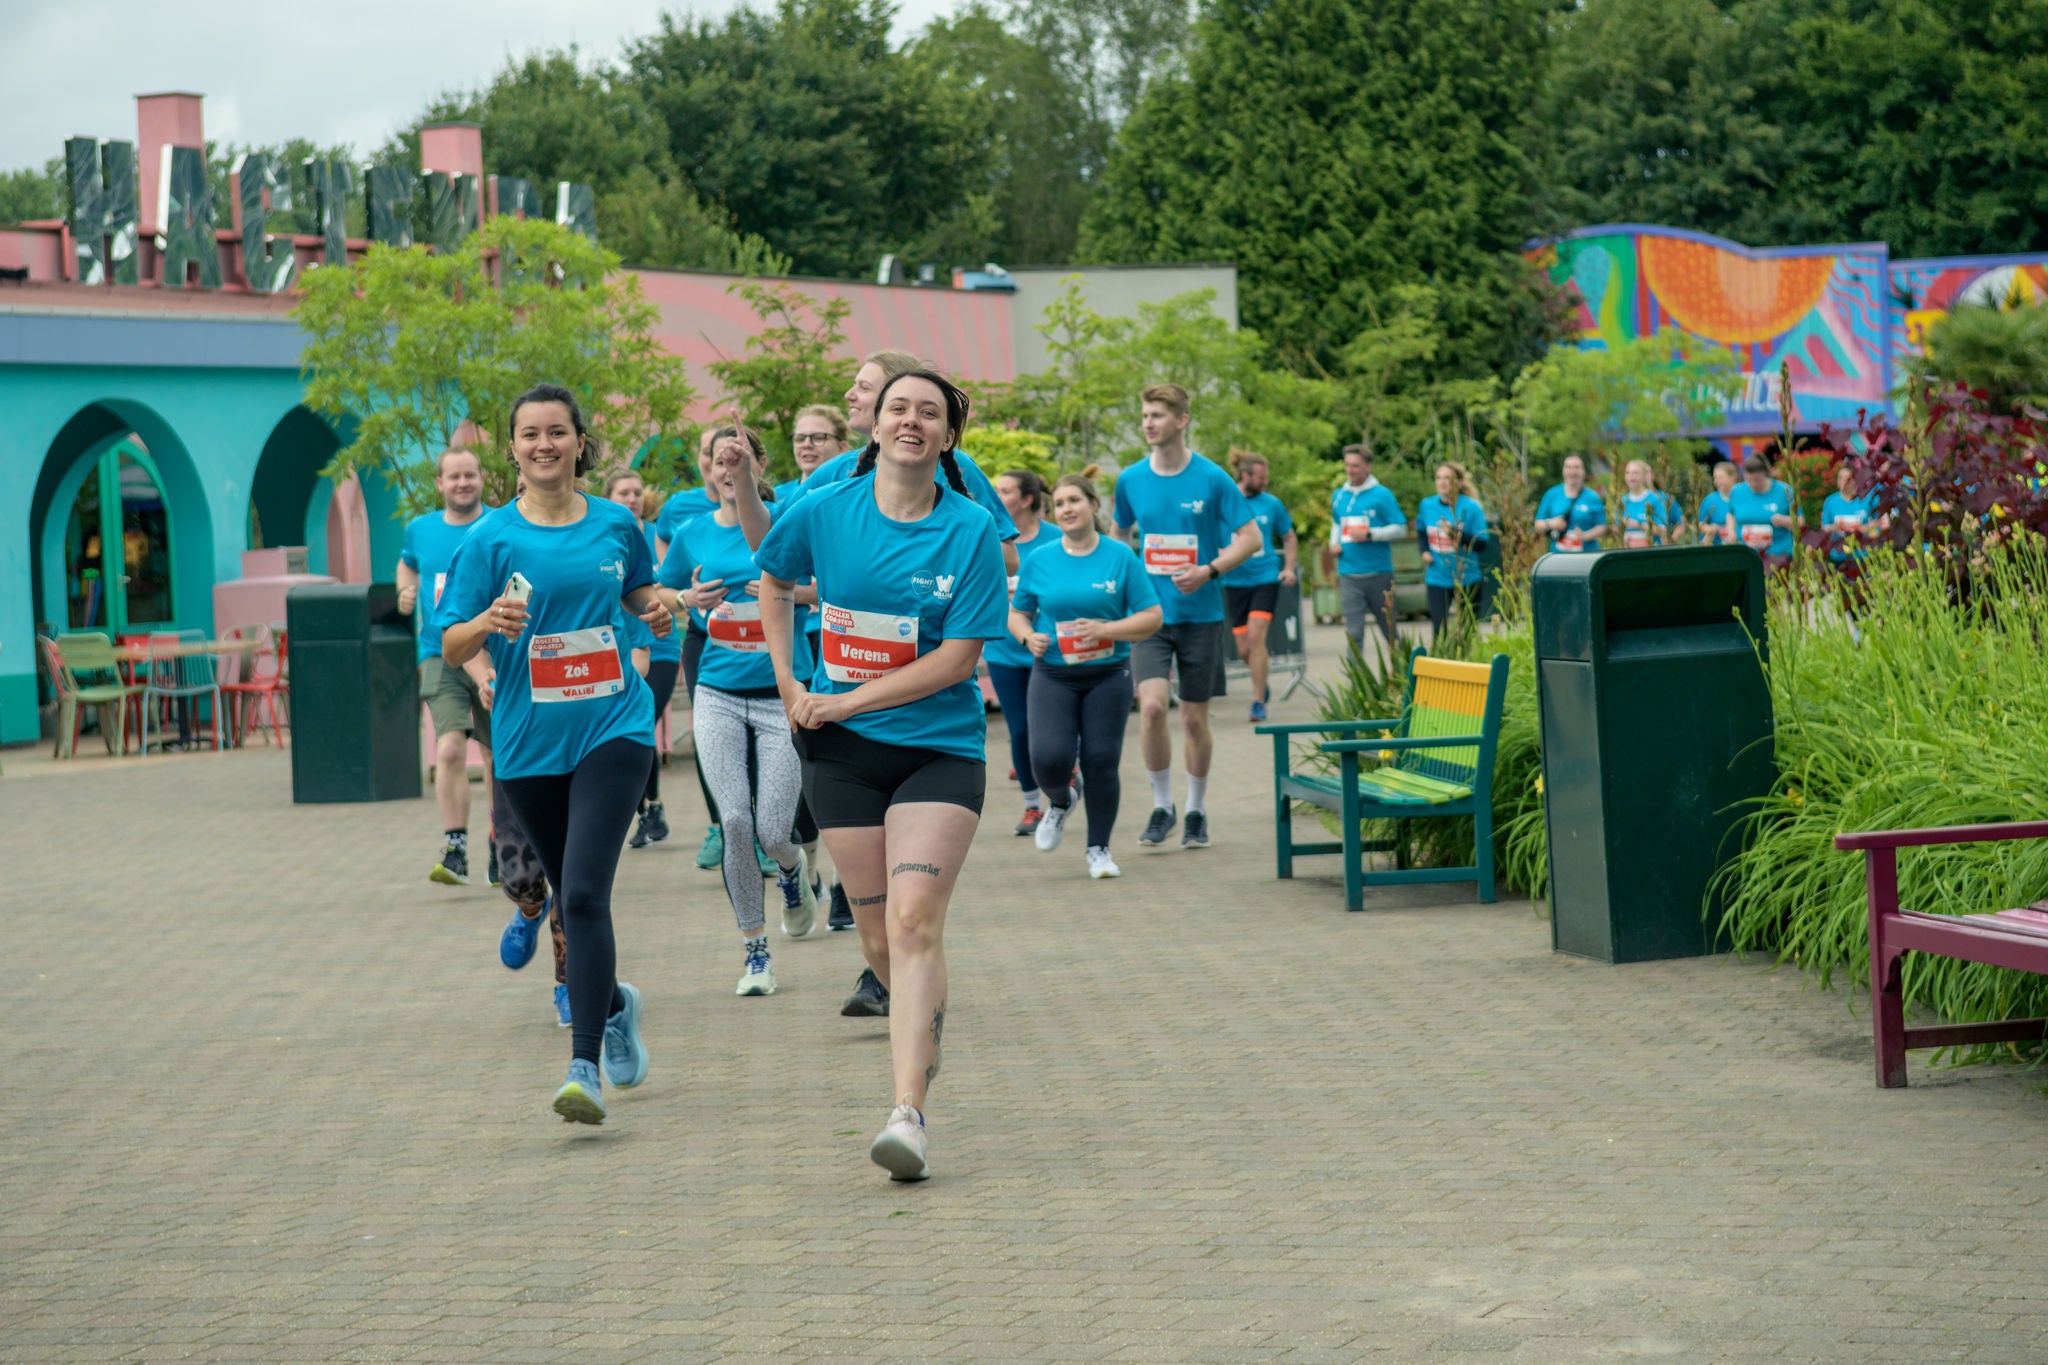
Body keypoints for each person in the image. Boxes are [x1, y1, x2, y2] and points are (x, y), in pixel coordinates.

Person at [755, 368, 1008, 1181]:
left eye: (928, 412)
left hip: (938, 746)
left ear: (946, 435)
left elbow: (959, 658)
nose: (910, 421)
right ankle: (921, 1013)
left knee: (913, 920)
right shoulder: (825, 509)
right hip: (843, 756)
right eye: (898, 407)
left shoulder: (968, 529)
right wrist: (792, 684)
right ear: (875, 424)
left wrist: (846, 698)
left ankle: (908, 1113)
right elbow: (774, 578)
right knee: (877, 940)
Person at [437, 382, 670, 1127]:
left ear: (579, 441)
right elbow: (450, 641)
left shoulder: (615, 523)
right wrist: (485, 619)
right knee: (567, 886)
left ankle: (583, 1064)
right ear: (512, 449)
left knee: (581, 896)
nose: (544, 445)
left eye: (558, 432)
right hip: (530, 743)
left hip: (615, 729)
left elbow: (640, 594)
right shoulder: (490, 539)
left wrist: (658, 606)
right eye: (530, 434)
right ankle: (618, 1002)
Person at [657, 425, 819, 997]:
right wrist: (684, 601)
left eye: (739, 457)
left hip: (782, 695)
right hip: (718, 693)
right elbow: (653, 592)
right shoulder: (692, 531)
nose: (727, 466)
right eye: (717, 458)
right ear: (705, 467)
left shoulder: (789, 515)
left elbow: (828, 588)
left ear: (754, 462)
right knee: (735, 823)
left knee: (775, 831)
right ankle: (755, 952)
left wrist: (779, 593)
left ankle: (797, 874)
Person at [1113, 383, 1261, 851]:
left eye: (1157, 415)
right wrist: (1119, 584)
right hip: (1150, 615)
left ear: (1182, 420)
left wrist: (1209, 569)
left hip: (1200, 615)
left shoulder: (1213, 478)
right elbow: (1119, 536)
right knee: (1153, 708)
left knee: (1195, 721)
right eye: (1144, 415)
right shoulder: (1131, 479)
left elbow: (1250, 538)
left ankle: (1196, 810)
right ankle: (1163, 806)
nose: (1148, 423)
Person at [1010, 473, 1163, 878]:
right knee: (1047, 759)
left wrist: (1107, 630)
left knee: (1100, 760)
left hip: (1108, 675)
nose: (1067, 509)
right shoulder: (1041, 559)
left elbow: (1152, 617)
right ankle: (1060, 801)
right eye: (1059, 504)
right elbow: (1017, 611)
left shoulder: (1120, 556)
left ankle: (1099, 849)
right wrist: (1027, 637)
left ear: (1094, 506)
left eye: (1075, 500)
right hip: (1054, 674)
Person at [395, 447, 496, 887]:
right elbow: (407, 563)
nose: (462, 483)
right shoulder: (421, 529)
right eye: (453, 477)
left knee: (496, 754)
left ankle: (502, 842)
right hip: (439, 653)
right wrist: (405, 591)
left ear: (481, 479)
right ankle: (455, 848)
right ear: (439, 484)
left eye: (469, 475)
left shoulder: (499, 524)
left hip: (494, 654)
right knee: (450, 748)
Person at [604, 470, 682, 849]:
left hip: (661, 647)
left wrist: (680, 600)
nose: (632, 498)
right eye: (624, 492)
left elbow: (672, 586)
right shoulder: (602, 535)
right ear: (609, 497)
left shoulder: (657, 536)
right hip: (615, 649)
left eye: (637, 492)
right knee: (626, 730)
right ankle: (647, 809)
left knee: (641, 722)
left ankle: (651, 807)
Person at [984, 469, 1060, 836]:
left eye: (1005, 490)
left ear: (1027, 499)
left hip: (1049, 651)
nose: (997, 495)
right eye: (995, 489)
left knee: (1053, 731)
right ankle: (1032, 806)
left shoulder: (1056, 540)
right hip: (1003, 650)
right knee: (1019, 730)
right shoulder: (991, 537)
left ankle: (1063, 782)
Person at [1221, 452, 1297, 723]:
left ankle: (1257, 702)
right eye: (1260, 477)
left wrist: (1287, 567)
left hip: (1264, 578)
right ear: (1244, 476)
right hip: (1233, 582)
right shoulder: (1225, 503)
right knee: (1243, 648)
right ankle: (1260, 681)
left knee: (1255, 638)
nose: (1265, 481)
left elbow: (1289, 537)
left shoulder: (1272, 504)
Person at [1329, 442, 1408, 660]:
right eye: (1347, 465)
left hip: (1378, 574)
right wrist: (1333, 544)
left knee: (1389, 631)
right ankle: (1357, 684)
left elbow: (1400, 528)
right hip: (1349, 575)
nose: (1350, 470)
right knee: (1354, 633)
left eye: (1355, 465)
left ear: (1368, 467)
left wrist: (1371, 534)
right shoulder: (1338, 495)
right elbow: (1336, 524)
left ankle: (1401, 676)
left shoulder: (1382, 495)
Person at [1414, 462, 1488, 641]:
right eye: (1438, 478)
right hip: (1437, 576)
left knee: (1468, 630)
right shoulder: (1427, 505)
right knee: (1439, 630)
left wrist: (1456, 534)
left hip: (1467, 577)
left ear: (1459, 482)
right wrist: (1424, 551)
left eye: (1447, 478)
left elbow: (1482, 544)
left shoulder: (1471, 507)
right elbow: (1421, 530)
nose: (1442, 482)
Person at [1725, 453, 1798, 570]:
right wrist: (1731, 531)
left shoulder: (1784, 491)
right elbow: (1731, 514)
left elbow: (1800, 522)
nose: (1753, 483)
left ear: (1765, 474)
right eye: (1749, 479)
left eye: (1757, 479)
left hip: (1778, 555)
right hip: (1747, 555)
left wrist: (1783, 521)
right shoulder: (1736, 491)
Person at [1534, 454, 1609, 553]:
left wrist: (1585, 536)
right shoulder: (1552, 494)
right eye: (1568, 467)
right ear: (1563, 471)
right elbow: (1538, 524)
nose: (1572, 472)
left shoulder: (1593, 498)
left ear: (1583, 471)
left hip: (1586, 555)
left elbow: (1602, 526)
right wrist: (1551, 523)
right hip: (1558, 557)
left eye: (1576, 468)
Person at [1820, 461, 1882, 566]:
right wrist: (1835, 527)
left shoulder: (1867, 498)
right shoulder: (1830, 501)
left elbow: (1880, 520)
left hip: (1863, 556)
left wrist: (1864, 528)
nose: (1843, 482)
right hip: (1839, 557)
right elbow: (1824, 527)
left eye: (1847, 479)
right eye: (1840, 478)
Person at [780, 404, 846, 501]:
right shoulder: (775, 497)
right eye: (800, 438)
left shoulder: (849, 494)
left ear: (842, 448)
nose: (806, 444)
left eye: (819, 438)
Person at [1619, 460, 1676, 548]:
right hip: (1628, 553)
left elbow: (1663, 531)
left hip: (1650, 551)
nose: (1631, 477)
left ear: (1644, 476)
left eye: (1635, 473)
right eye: (1628, 473)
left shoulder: (1655, 500)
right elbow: (1616, 530)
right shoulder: (1622, 501)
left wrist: (1638, 524)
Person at [1698, 461, 1739, 544]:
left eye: (1720, 477)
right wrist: (1710, 529)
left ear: (1733, 477)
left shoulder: (1745, 497)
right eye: (1715, 478)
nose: (1716, 481)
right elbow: (1700, 524)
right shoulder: (1709, 501)